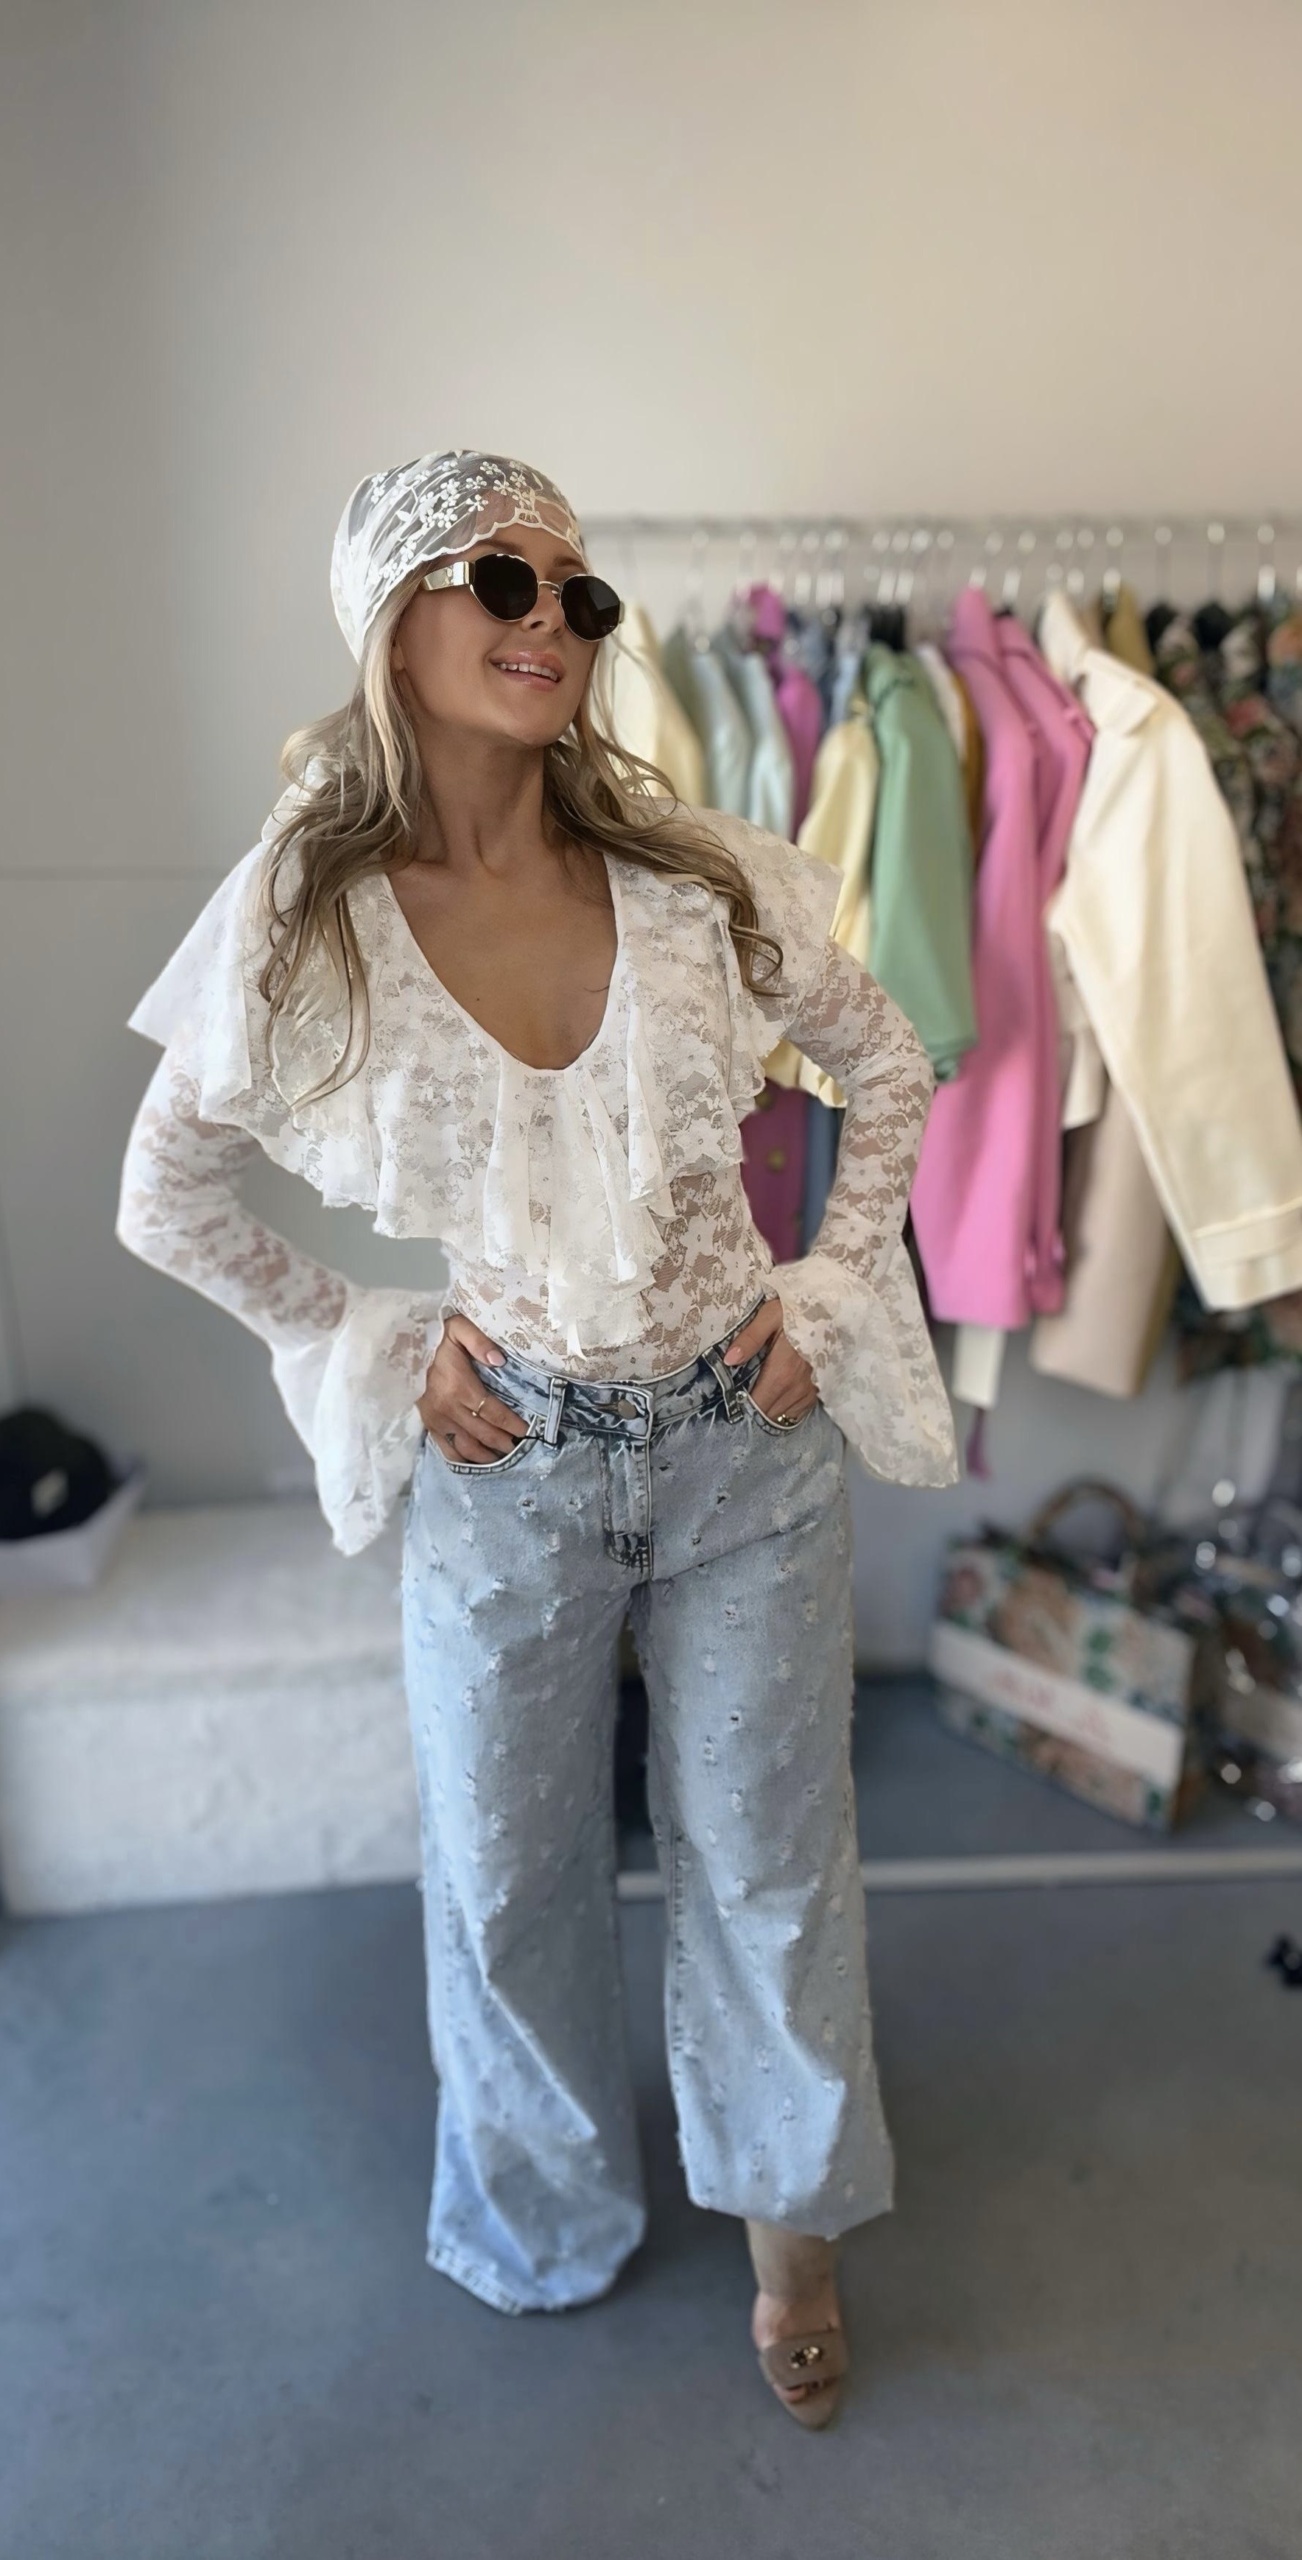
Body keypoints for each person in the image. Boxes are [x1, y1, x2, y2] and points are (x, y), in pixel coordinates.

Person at [115, 448, 958, 2427]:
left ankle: (792, 2235)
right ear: (391, 613)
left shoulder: (687, 877)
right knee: (507, 1882)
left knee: (771, 1863)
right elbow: (166, 1194)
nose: (550, 620)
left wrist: (831, 1292)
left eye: (580, 592)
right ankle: (542, 2212)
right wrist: (369, 1340)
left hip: (743, 1457)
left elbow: (889, 1058)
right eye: (501, 577)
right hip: (509, 1468)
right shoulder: (312, 911)